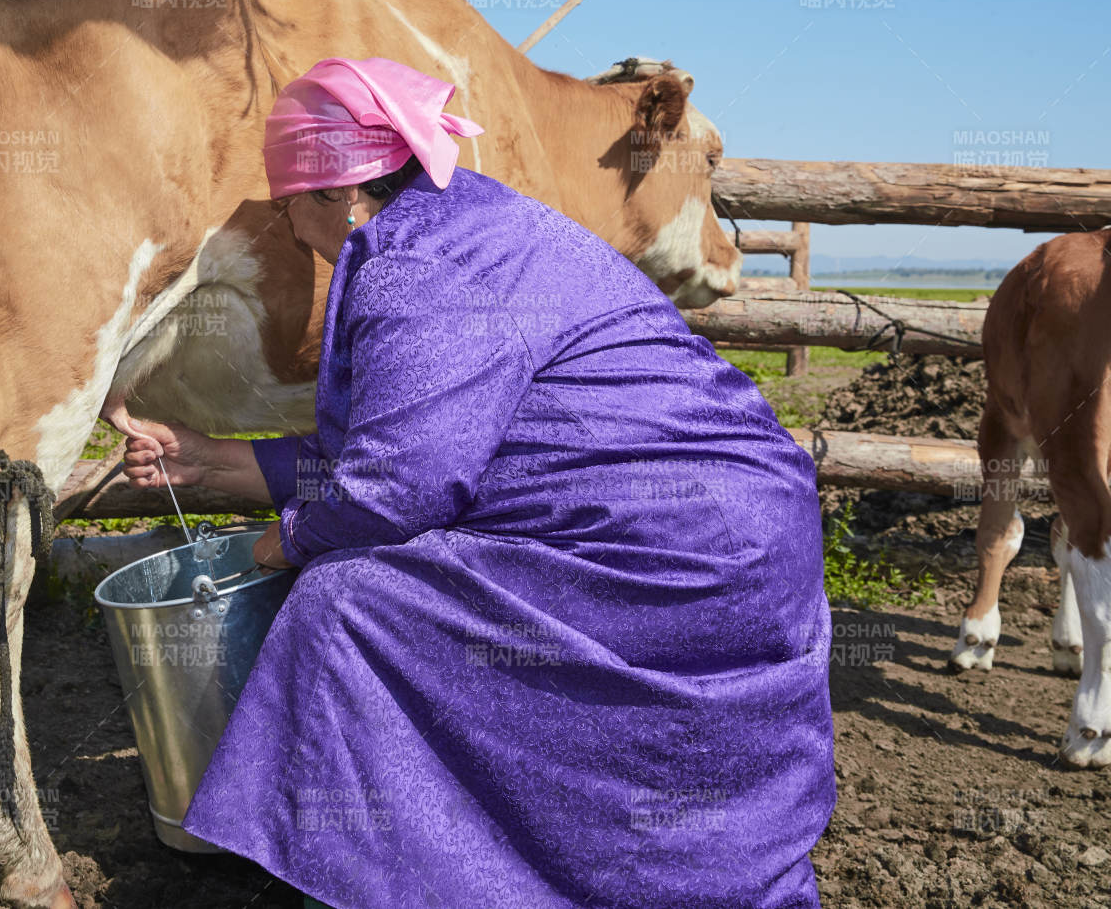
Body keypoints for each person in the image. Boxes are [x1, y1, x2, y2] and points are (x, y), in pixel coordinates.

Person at [113, 57, 835, 908]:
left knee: (344, 604)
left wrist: (290, 538)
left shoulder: (421, 266)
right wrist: (211, 460)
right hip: (731, 529)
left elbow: (397, 488)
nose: (292, 229)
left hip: (675, 551)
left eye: (290, 203)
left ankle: (422, 875)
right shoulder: (458, 224)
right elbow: (403, 441)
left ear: (341, 193)